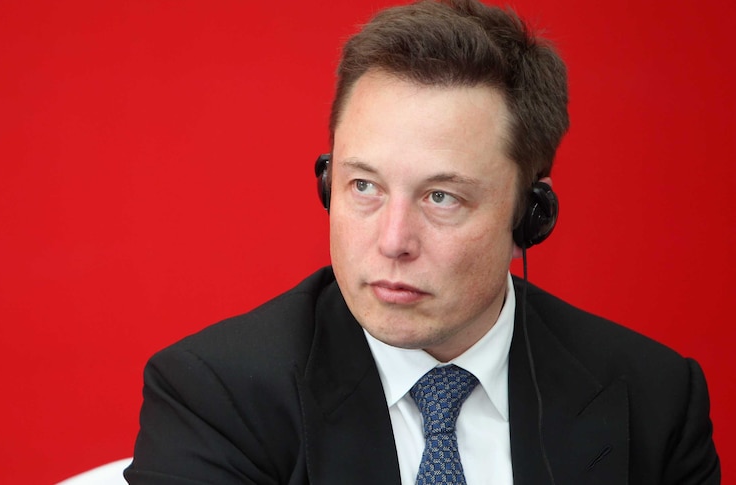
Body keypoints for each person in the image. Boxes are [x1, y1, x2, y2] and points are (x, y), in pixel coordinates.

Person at [125, 0, 720, 483]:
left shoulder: (656, 398)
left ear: (529, 216)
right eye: (364, 186)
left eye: (442, 197)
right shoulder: (215, 396)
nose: (392, 240)